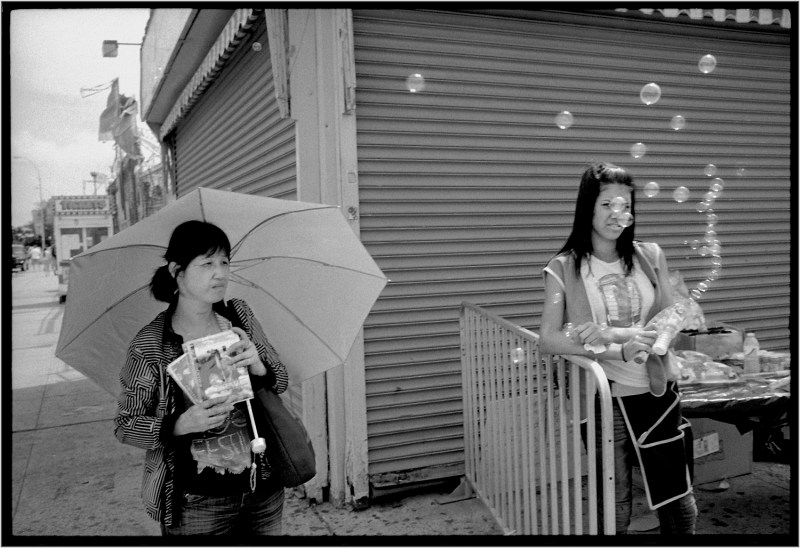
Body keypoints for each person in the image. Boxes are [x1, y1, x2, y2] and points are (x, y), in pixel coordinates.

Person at [539, 161, 697, 535]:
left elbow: (672, 316)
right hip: (601, 399)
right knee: (614, 506)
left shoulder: (651, 256)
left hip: (656, 391)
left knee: (678, 503)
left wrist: (661, 334)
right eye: (606, 204)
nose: (617, 213)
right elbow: (548, 338)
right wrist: (616, 346)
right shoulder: (563, 268)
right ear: (587, 209)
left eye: (625, 205)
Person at [114, 220, 289, 536]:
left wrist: (258, 365)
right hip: (197, 500)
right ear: (177, 271)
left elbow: (282, 380)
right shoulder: (151, 343)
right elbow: (126, 424)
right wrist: (179, 424)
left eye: (224, 262)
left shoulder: (239, 317)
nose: (220, 273)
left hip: (263, 487)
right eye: (207, 263)